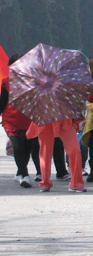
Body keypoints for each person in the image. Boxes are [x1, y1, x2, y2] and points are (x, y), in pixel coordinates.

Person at [1, 54, 39, 188]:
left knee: (26, 148)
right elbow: (2, 102)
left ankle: (20, 173)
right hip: (11, 120)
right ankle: (25, 175)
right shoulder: (6, 82)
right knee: (18, 147)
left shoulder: (34, 82)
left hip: (29, 120)